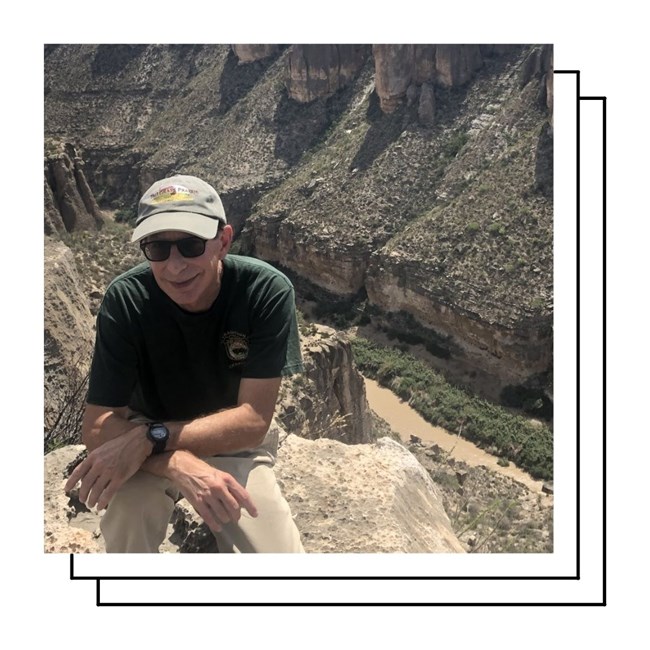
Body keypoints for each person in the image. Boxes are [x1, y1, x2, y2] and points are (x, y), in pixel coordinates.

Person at [65, 174, 305, 553]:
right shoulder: (126, 300)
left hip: (226, 441)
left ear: (223, 241)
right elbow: (97, 426)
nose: (175, 265)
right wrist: (172, 460)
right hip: (145, 441)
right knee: (130, 516)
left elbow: (253, 420)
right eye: (158, 248)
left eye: (191, 245)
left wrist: (150, 439)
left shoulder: (265, 291)